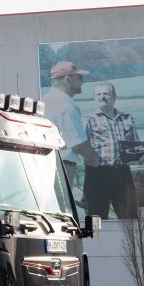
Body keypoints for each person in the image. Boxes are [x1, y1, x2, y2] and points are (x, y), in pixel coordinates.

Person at [85, 82, 142, 219]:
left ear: (114, 97)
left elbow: (137, 145)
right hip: (98, 175)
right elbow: (80, 147)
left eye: (106, 94)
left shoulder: (127, 118)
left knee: (130, 219)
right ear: (94, 98)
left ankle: (132, 242)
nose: (102, 97)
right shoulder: (88, 120)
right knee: (95, 222)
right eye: (98, 94)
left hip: (123, 174)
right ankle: (95, 242)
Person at [44, 61, 99, 202]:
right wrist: (95, 157)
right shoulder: (65, 104)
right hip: (61, 166)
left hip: (48, 164)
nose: (82, 81)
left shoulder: (47, 100)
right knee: (61, 208)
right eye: (79, 77)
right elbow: (78, 143)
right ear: (68, 79)